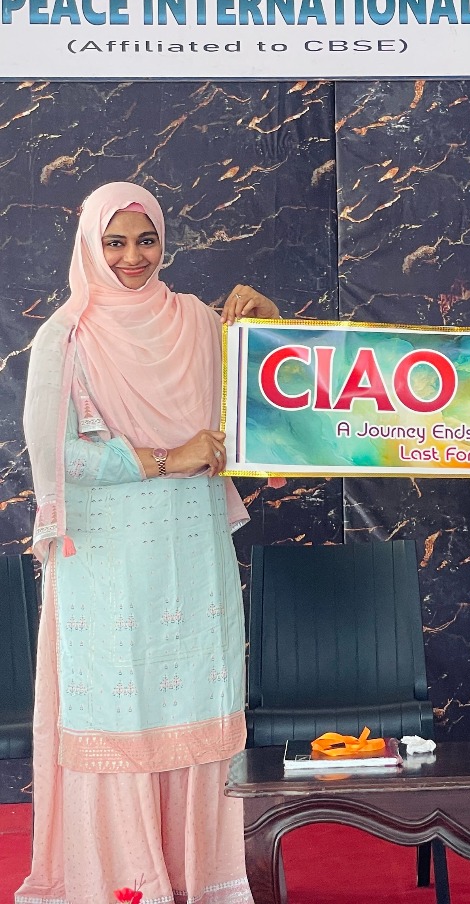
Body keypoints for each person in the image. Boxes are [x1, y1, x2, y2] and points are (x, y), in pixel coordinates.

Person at [17, 181, 280, 904]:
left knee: (197, 703)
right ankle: (126, 882)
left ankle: (205, 879)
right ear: (90, 246)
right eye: (115, 242)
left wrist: (264, 329)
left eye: (146, 240)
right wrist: (166, 457)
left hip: (191, 551)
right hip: (107, 562)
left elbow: (259, 408)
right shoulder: (66, 336)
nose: (133, 257)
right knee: (120, 711)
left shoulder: (195, 321)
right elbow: (55, 459)